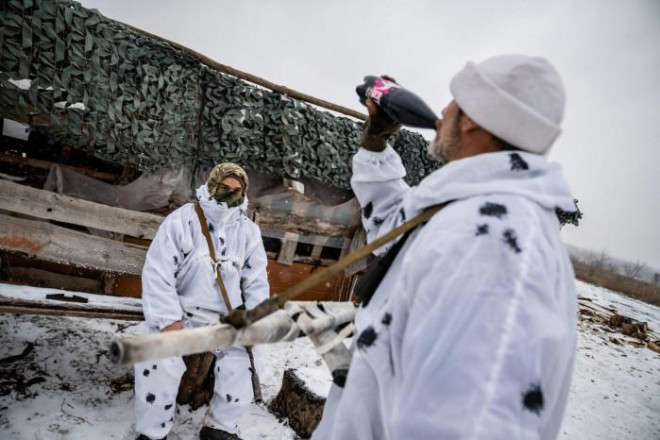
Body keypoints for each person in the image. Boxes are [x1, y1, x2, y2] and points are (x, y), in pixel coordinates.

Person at [312, 55, 579, 440]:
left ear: (471, 117)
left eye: (453, 101)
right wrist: (376, 140)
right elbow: (392, 223)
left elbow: (475, 423)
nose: (441, 111)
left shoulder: (498, 244)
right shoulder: (470, 208)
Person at [134, 163, 269, 440]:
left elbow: (256, 282)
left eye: (237, 190)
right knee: (159, 363)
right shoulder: (183, 220)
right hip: (181, 313)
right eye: (224, 188)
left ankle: (219, 429)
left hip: (225, 319)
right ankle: (151, 433)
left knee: (239, 368)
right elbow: (158, 272)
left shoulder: (249, 232)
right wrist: (168, 320)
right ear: (212, 186)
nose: (231, 194)